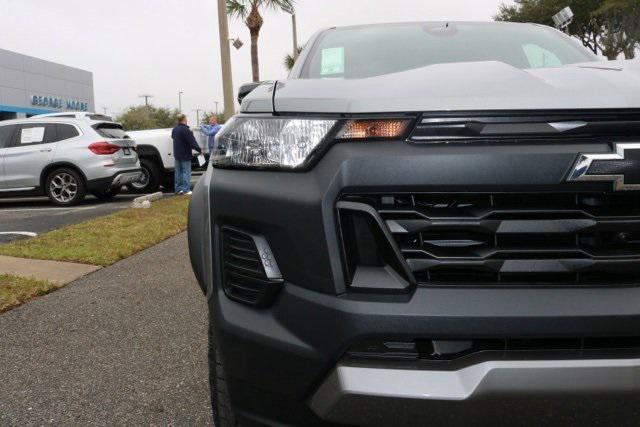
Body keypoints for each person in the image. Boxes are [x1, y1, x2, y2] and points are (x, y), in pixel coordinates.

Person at [171, 114, 202, 195]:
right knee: (186, 172)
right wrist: (199, 149)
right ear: (184, 119)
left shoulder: (175, 129)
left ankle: (178, 189)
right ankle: (186, 190)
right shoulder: (186, 130)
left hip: (177, 154)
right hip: (185, 154)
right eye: (186, 118)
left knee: (178, 172)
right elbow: (192, 142)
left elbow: (173, 137)